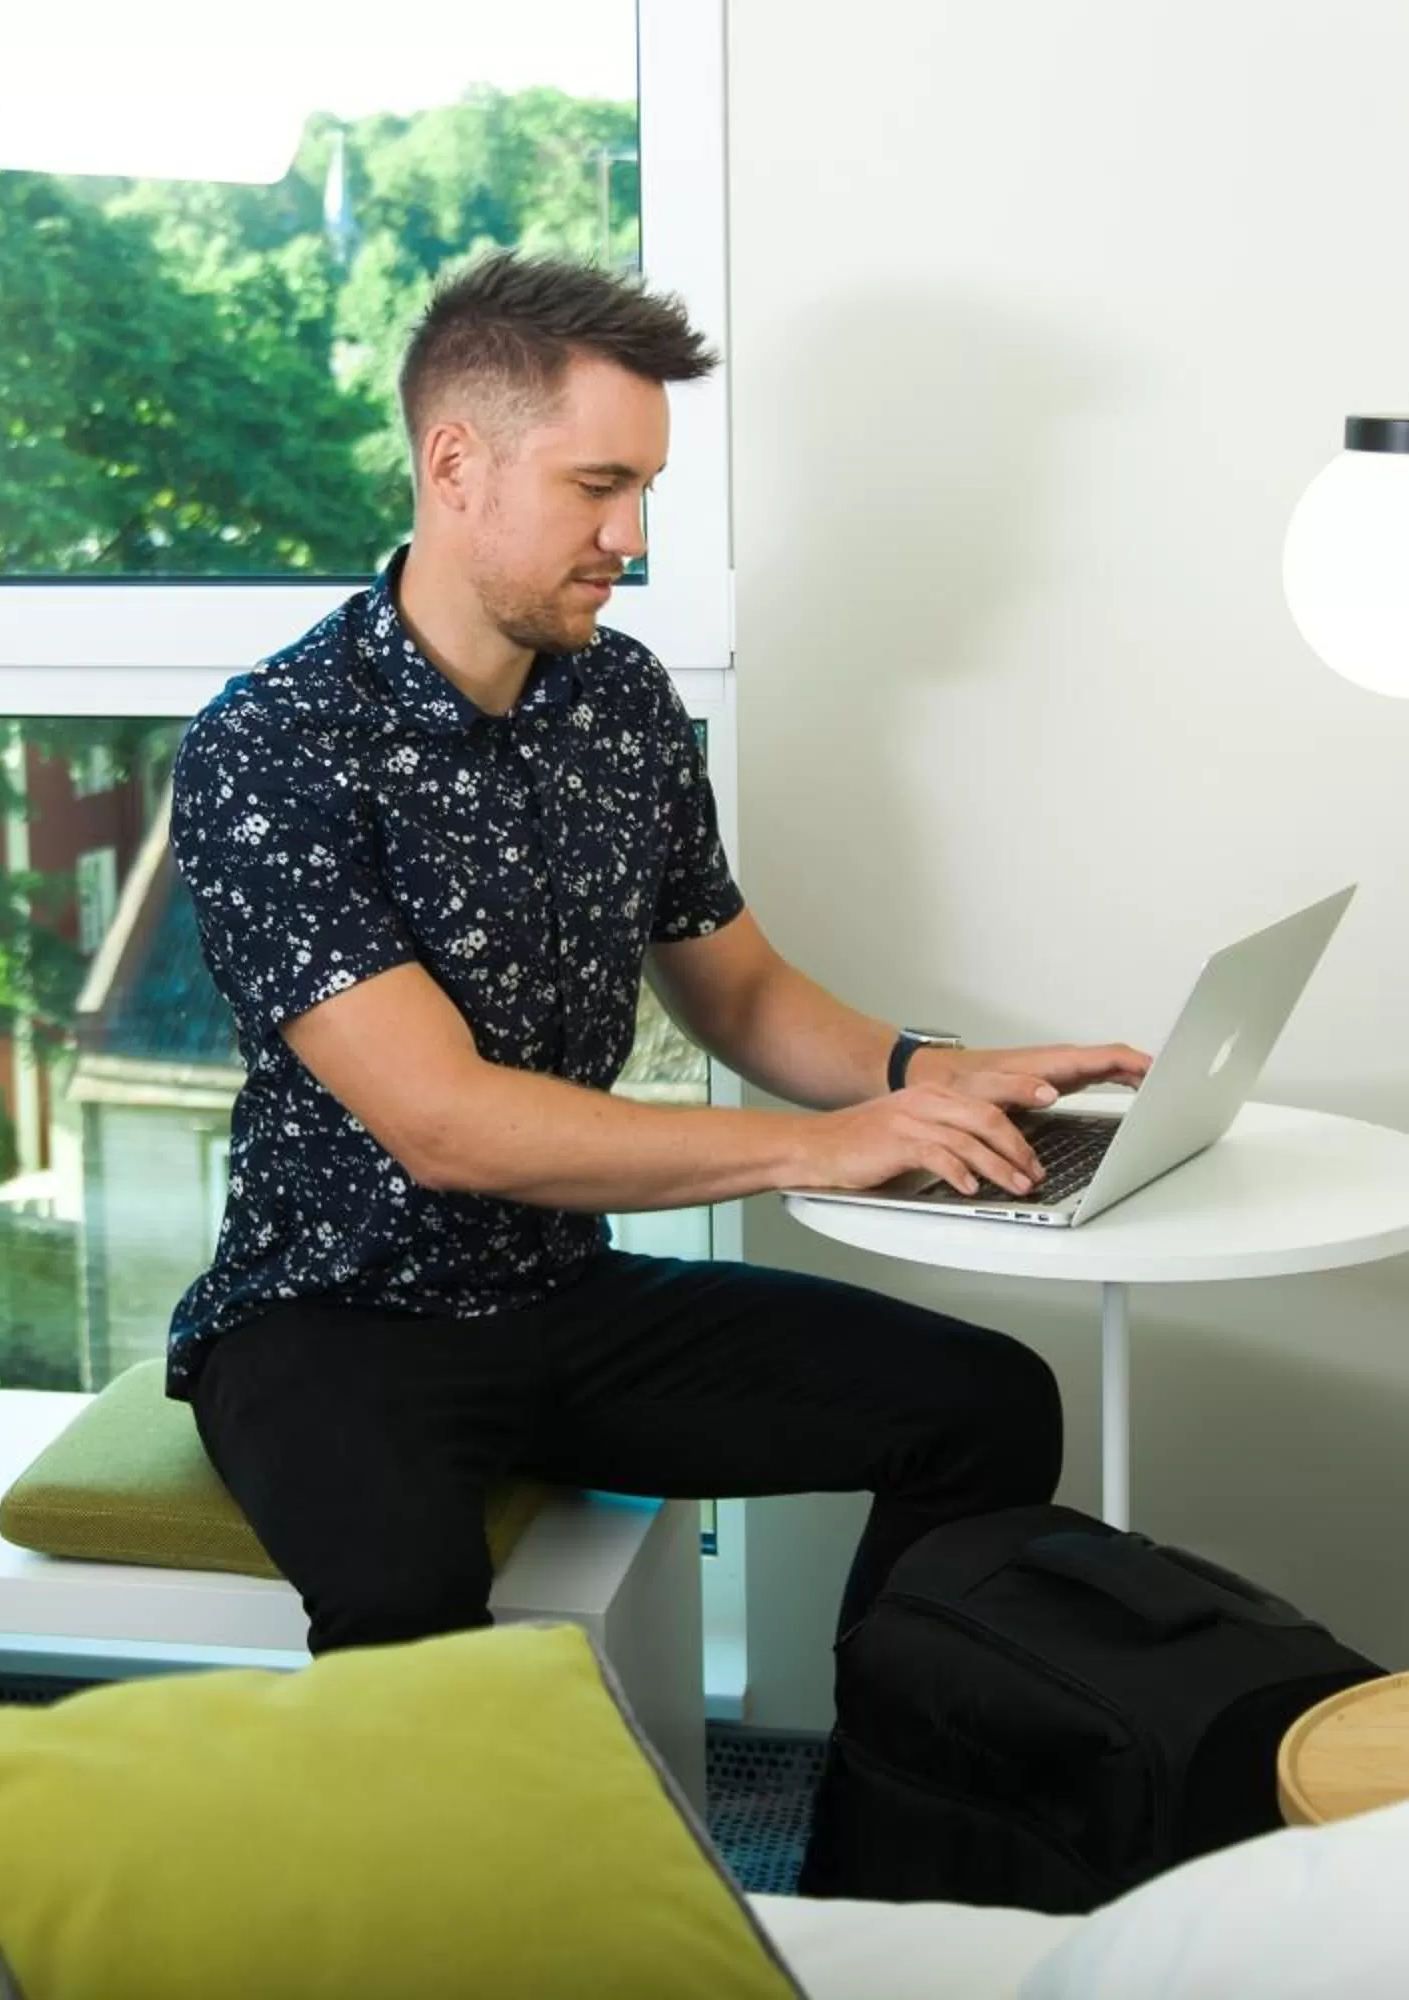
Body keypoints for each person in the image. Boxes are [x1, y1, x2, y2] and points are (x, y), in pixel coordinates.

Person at [167, 252, 1149, 1657]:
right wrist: (816, 1149)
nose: (629, 532)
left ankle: (875, 1861)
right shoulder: (274, 744)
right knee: (406, 1608)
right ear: (457, 466)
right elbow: (440, 1121)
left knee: (988, 1404)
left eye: (645, 492)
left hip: (566, 1297)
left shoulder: (618, 699)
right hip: (333, 1321)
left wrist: (938, 1068)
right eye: (596, 486)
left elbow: (737, 987)